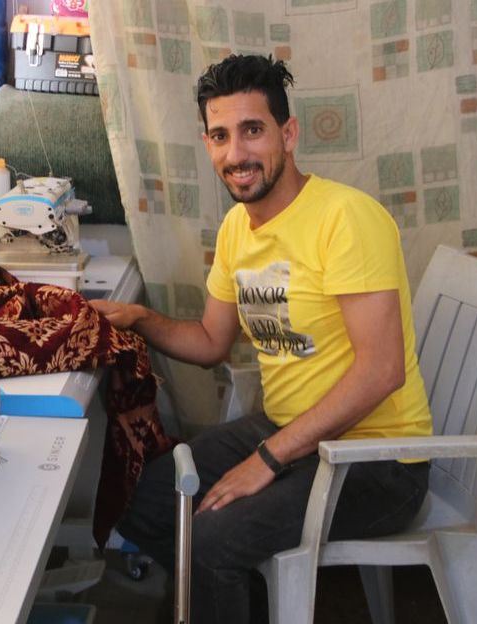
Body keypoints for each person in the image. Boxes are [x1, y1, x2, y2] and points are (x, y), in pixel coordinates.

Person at [90, 54, 433, 623]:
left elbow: (382, 372)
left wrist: (268, 459)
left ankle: (217, 589)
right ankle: (230, 603)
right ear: (207, 143)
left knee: (211, 537)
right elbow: (209, 342)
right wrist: (138, 319)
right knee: (144, 498)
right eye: (221, 136)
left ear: (288, 133)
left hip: (378, 460)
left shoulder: (346, 219)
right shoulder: (236, 228)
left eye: (253, 130)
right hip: (291, 430)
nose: (237, 154)